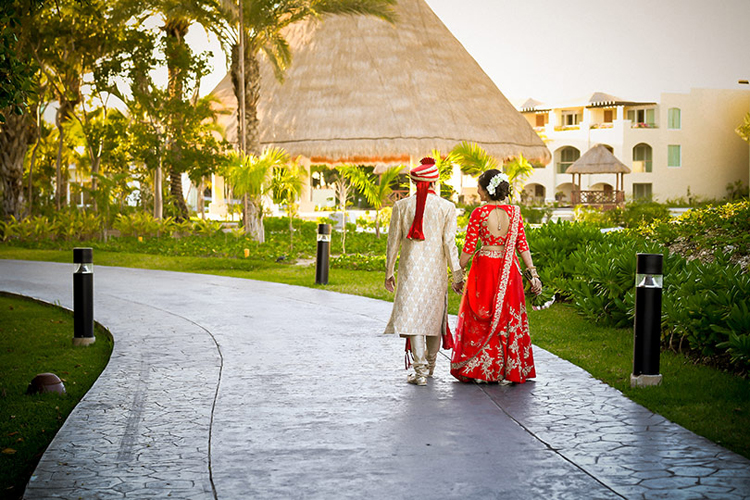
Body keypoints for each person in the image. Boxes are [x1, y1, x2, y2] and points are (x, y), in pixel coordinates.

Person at [450, 169, 542, 385]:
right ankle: (508, 369)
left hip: (484, 269)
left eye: (480, 187)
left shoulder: (479, 214)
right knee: (508, 316)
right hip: (509, 269)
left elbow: (469, 248)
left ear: (487, 189)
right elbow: (523, 246)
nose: (478, 191)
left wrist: (457, 273)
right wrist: (533, 275)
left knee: (481, 314)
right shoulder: (514, 213)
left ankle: (481, 369)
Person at [384, 157, 464, 386]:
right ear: (435, 182)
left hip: (410, 271)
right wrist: (457, 276)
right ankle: (430, 367)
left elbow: (393, 242)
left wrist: (389, 272)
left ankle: (419, 373)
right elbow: (450, 244)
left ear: (413, 182)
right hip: (435, 273)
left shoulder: (401, 206)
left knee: (413, 319)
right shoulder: (447, 207)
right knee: (433, 319)